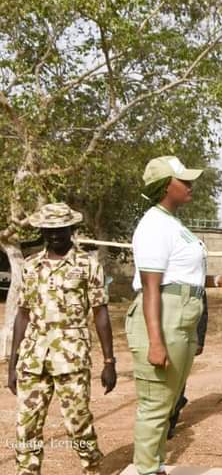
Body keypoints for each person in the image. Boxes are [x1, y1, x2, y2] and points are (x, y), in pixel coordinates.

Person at [127, 156, 222, 475]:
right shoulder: (154, 225)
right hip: (163, 317)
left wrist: (218, 281)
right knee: (156, 404)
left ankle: (154, 466)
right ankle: (147, 469)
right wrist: (156, 342)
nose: (190, 184)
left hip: (181, 317)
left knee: (168, 401)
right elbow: (151, 286)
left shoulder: (172, 224)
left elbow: (179, 275)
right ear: (165, 186)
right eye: (183, 180)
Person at [7, 202, 117, 475]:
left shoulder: (88, 265)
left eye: (60, 229)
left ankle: (92, 468)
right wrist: (13, 363)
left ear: (71, 228)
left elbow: (100, 313)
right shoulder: (31, 265)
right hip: (33, 360)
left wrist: (109, 361)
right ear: (42, 231)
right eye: (49, 230)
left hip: (71, 359)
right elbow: (23, 314)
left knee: (77, 424)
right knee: (26, 426)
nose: (54, 234)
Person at [166, 291, 209, 440]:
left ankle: (170, 422)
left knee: (178, 380)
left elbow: (202, 310)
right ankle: (172, 409)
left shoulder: (194, 281)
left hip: (184, 336)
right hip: (161, 332)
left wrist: (200, 340)